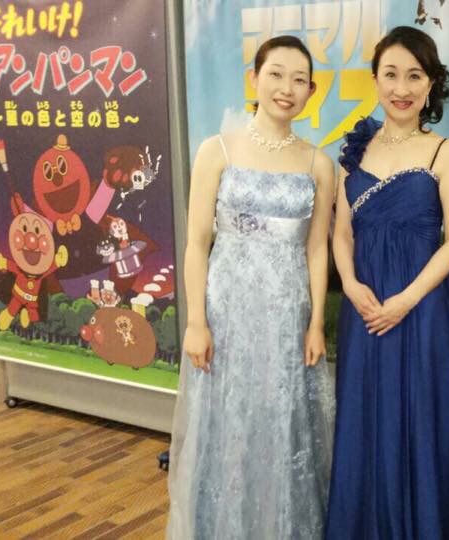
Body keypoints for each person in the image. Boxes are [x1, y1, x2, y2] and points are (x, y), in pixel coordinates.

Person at [166, 36, 336, 539]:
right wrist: (196, 322)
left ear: (311, 91)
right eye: (276, 74)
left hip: (287, 319)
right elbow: (197, 243)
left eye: (299, 79)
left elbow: (317, 250)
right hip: (226, 315)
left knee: (281, 424)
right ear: (254, 78)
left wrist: (315, 324)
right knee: (226, 424)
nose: (287, 88)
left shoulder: (318, 164)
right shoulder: (216, 150)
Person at [326, 25, 449, 539]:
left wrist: (406, 300)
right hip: (364, 306)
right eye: (391, 74)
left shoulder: (444, 152)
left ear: (430, 84)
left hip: (422, 307)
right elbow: (341, 234)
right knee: (365, 416)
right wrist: (349, 282)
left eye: (414, 76)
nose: (401, 88)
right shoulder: (354, 153)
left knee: (421, 416)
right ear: (375, 80)